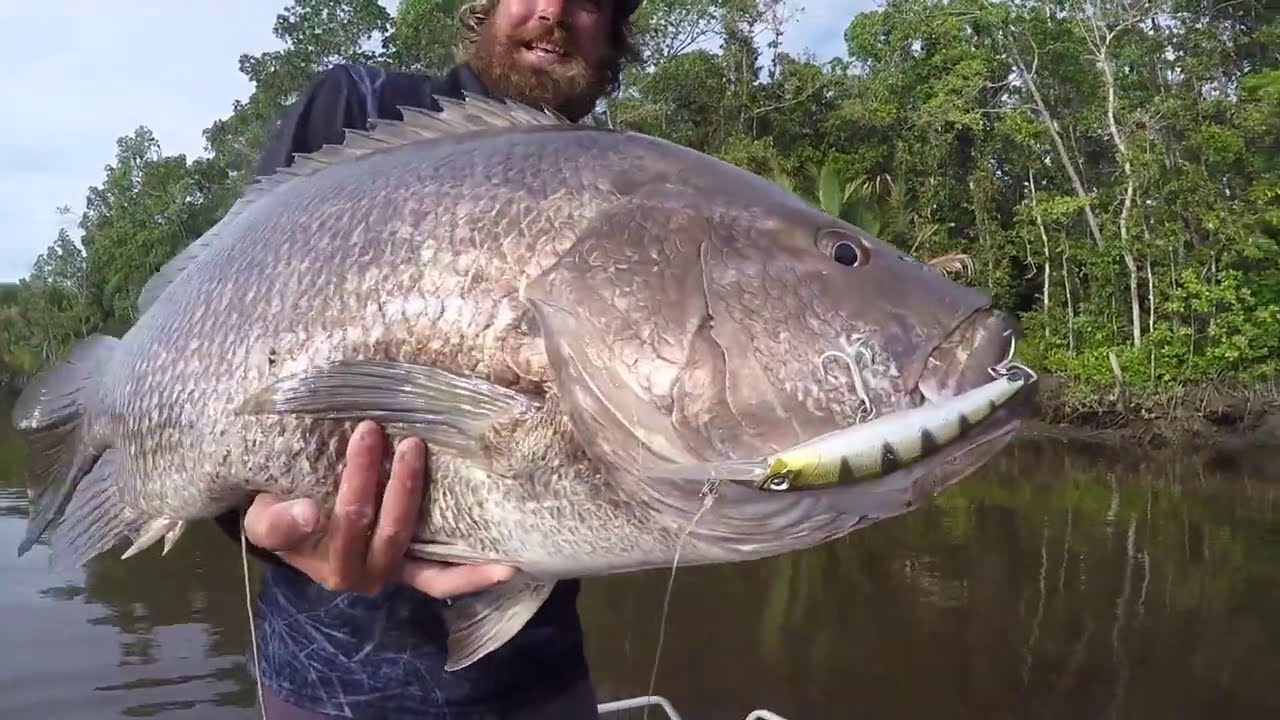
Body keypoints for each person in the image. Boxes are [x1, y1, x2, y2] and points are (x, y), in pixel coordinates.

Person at [213, 1, 643, 717]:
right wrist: (259, 526)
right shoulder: (359, 106)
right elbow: (227, 339)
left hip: (537, 684)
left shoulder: (624, 190)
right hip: (323, 692)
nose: (554, 11)